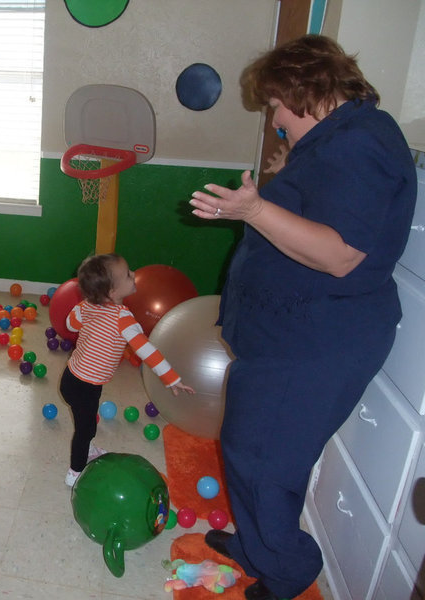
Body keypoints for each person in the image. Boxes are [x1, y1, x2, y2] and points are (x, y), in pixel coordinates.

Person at [189, 35, 417, 600]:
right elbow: (324, 211)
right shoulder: (338, 141)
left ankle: (287, 572)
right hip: (290, 335)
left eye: (275, 108)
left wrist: (256, 208)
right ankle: (259, 543)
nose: (275, 120)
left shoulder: (363, 143)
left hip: (318, 341)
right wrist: (287, 178)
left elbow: (341, 254)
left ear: (303, 92)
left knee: (266, 462)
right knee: (247, 449)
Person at [60, 253, 195, 486]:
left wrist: (81, 308)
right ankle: (74, 473)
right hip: (86, 386)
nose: (134, 275)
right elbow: (147, 351)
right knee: (85, 427)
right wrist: (171, 378)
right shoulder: (124, 318)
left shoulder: (87, 305)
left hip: (70, 378)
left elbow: (70, 324)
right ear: (112, 293)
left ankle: (87, 444)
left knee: (83, 420)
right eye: (128, 274)